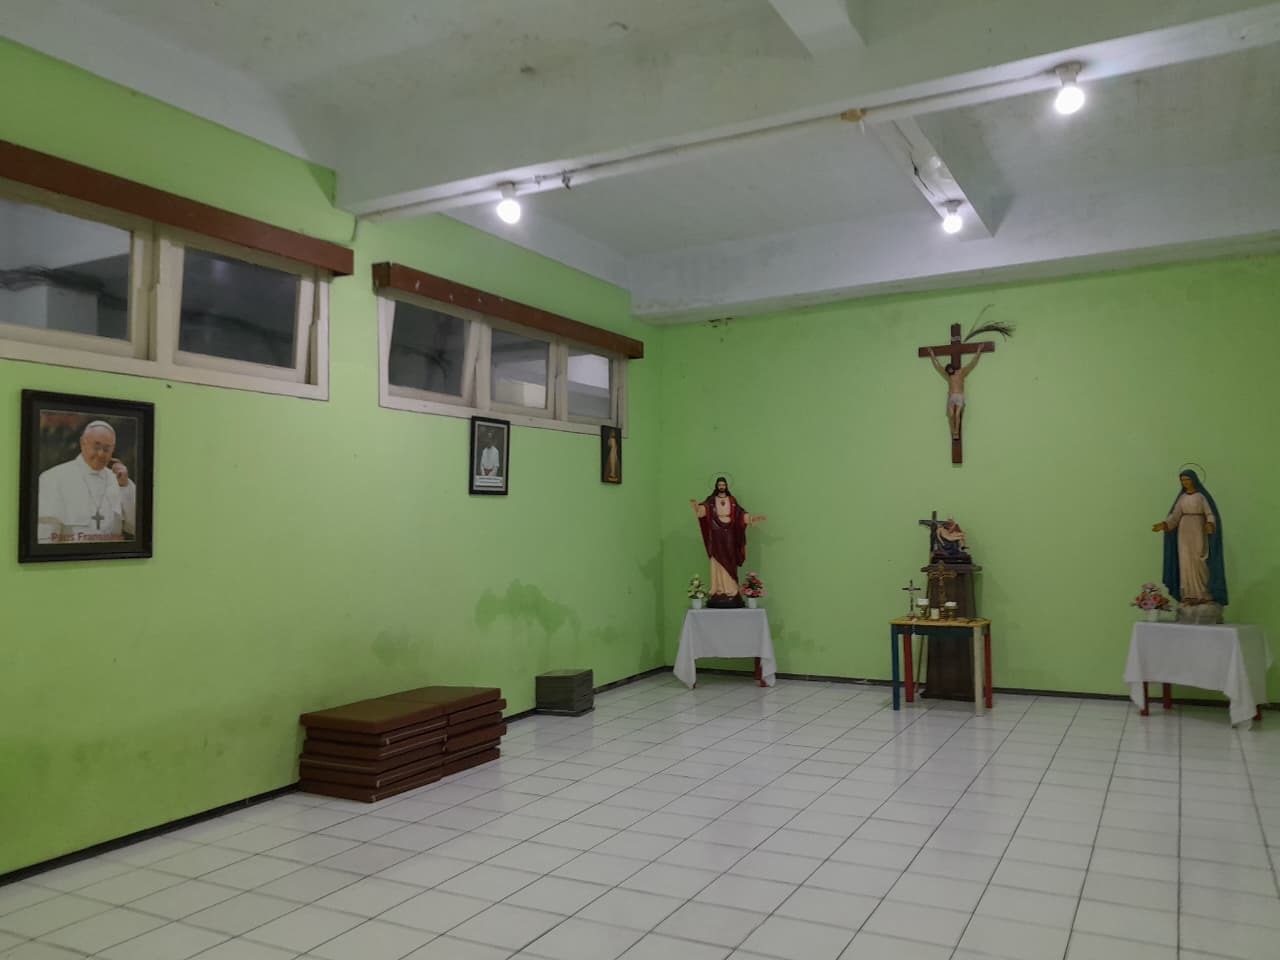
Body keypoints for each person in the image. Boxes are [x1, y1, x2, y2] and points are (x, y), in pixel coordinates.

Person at [37, 420, 136, 543]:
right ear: (82, 443)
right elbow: (45, 537)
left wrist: (124, 487)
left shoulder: (120, 481)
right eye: (96, 447)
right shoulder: (53, 478)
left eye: (107, 449)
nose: (101, 454)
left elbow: (135, 527)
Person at [1151, 469, 1227, 607]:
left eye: (1187, 479)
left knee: (1199, 559)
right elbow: (1175, 516)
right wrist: (1164, 524)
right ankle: (1189, 594)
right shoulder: (1182, 498)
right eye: (1182, 480)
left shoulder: (1201, 497)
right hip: (1184, 531)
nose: (1185, 482)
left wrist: (1210, 523)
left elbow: (1209, 513)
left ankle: (1203, 594)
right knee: (1185, 560)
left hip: (1198, 528)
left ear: (1194, 480)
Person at [690, 477, 766, 605]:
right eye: (719, 484)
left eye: (723, 484)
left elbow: (740, 514)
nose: (721, 486)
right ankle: (718, 589)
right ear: (716, 486)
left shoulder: (732, 500)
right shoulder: (711, 500)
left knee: (730, 558)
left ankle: (731, 589)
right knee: (717, 558)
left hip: (729, 531)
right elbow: (703, 511)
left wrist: (751, 518)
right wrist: (697, 507)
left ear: (726, 486)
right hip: (715, 532)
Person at [927, 342, 988, 440]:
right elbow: (938, 366)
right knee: (951, 415)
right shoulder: (948, 376)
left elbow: (972, 363)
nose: (950, 372)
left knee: (957, 415)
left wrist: (979, 351)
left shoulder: (961, 373)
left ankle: (956, 432)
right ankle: (953, 431)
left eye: (951, 370)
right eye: (948, 371)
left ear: (953, 368)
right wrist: (932, 354)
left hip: (959, 396)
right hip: (951, 396)